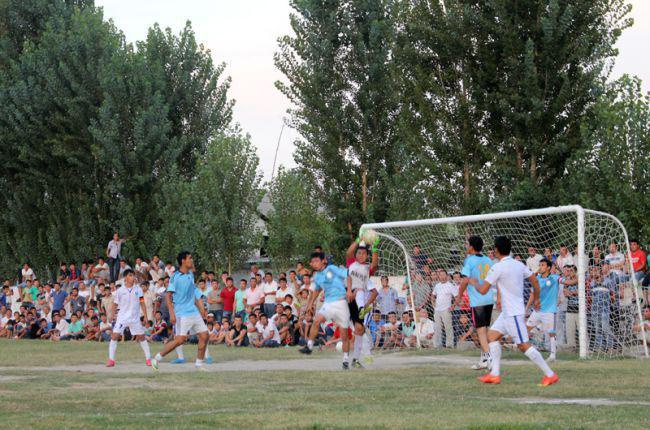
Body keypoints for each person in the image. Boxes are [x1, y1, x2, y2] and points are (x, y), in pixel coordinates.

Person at [470, 236, 558, 386]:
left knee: (523, 345)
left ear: (496, 250)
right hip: (508, 312)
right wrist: (536, 298)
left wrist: (473, 282)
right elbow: (535, 281)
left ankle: (550, 374)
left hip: (513, 313)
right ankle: (494, 374)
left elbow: (483, 290)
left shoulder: (497, 267)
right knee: (491, 337)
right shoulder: (519, 265)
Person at [151, 251, 210, 370]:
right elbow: (168, 296)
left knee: (205, 335)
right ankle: (157, 358)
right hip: (182, 313)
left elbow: (194, 293)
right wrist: (172, 314)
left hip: (193, 311)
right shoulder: (175, 277)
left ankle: (199, 365)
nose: (191, 260)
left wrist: (202, 309)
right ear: (183, 261)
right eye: (190, 258)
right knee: (180, 340)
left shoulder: (190, 275)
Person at [299, 252, 352, 370]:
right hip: (328, 303)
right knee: (317, 321)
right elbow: (316, 291)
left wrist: (349, 291)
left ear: (324, 261)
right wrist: (310, 304)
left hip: (341, 303)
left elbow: (348, 275)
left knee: (344, 335)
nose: (314, 264)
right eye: (312, 262)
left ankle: (345, 360)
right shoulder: (317, 276)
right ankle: (309, 347)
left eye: (317, 261)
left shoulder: (332, 268)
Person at [454, 235, 494, 370]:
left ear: (471, 247)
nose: (466, 246)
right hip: (489, 299)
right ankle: (483, 360)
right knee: (484, 330)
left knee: (481, 332)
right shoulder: (488, 260)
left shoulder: (469, 260)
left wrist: (459, 296)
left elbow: (465, 280)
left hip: (478, 301)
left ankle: (490, 358)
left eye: (467, 244)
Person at [345, 234, 379, 368]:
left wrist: (375, 248)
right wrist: (359, 240)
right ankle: (363, 356)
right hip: (348, 298)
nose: (361, 255)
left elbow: (375, 265)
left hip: (358, 300)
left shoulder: (367, 270)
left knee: (359, 330)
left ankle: (356, 360)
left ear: (366, 256)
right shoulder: (351, 263)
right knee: (357, 290)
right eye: (358, 253)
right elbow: (348, 253)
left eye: (364, 253)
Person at [106, 270, 151, 367]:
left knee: (142, 337)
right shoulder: (120, 290)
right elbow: (115, 304)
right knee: (114, 336)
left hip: (135, 318)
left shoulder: (138, 289)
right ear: (125, 277)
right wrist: (112, 315)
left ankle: (148, 359)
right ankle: (111, 360)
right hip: (122, 318)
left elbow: (142, 302)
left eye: (133, 275)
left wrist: (146, 317)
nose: (133, 277)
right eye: (130, 275)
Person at [526, 258, 560, 362]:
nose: (540, 267)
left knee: (551, 333)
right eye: (540, 265)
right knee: (525, 329)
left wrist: (577, 280)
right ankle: (524, 346)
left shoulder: (554, 277)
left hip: (549, 311)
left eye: (543, 265)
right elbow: (532, 294)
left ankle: (553, 355)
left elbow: (565, 281)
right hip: (537, 310)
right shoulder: (537, 278)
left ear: (548, 267)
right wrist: (527, 307)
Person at [432, 270, 457, 348]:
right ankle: (437, 345)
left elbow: (457, 297)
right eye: (440, 275)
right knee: (437, 328)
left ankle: (449, 345)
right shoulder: (437, 286)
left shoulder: (451, 285)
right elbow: (432, 295)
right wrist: (433, 303)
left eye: (443, 275)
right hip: (437, 310)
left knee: (448, 328)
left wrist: (453, 306)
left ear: (446, 276)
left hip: (446, 310)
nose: (442, 277)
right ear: (438, 276)